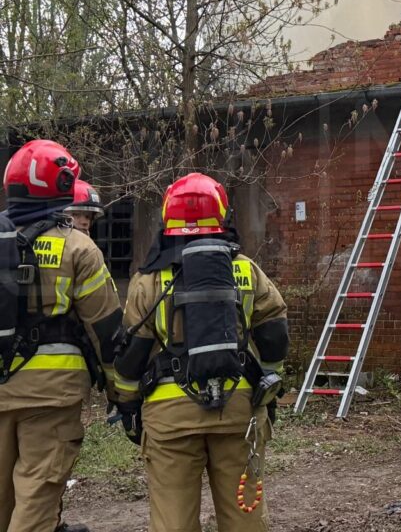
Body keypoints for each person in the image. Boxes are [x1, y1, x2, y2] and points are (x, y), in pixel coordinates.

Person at [114, 172, 288, 532]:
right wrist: (267, 389)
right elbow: (274, 333)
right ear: (221, 213)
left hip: (169, 420)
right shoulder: (245, 270)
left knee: (172, 520)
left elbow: (132, 354)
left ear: (167, 215)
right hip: (237, 411)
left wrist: (128, 405)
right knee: (245, 518)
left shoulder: (149, 280)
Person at [0, 140, 122, 532]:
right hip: (52, 395)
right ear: (63, 184)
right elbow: (106, 329)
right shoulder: (77, 248)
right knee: (36, 497)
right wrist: (123, 393)